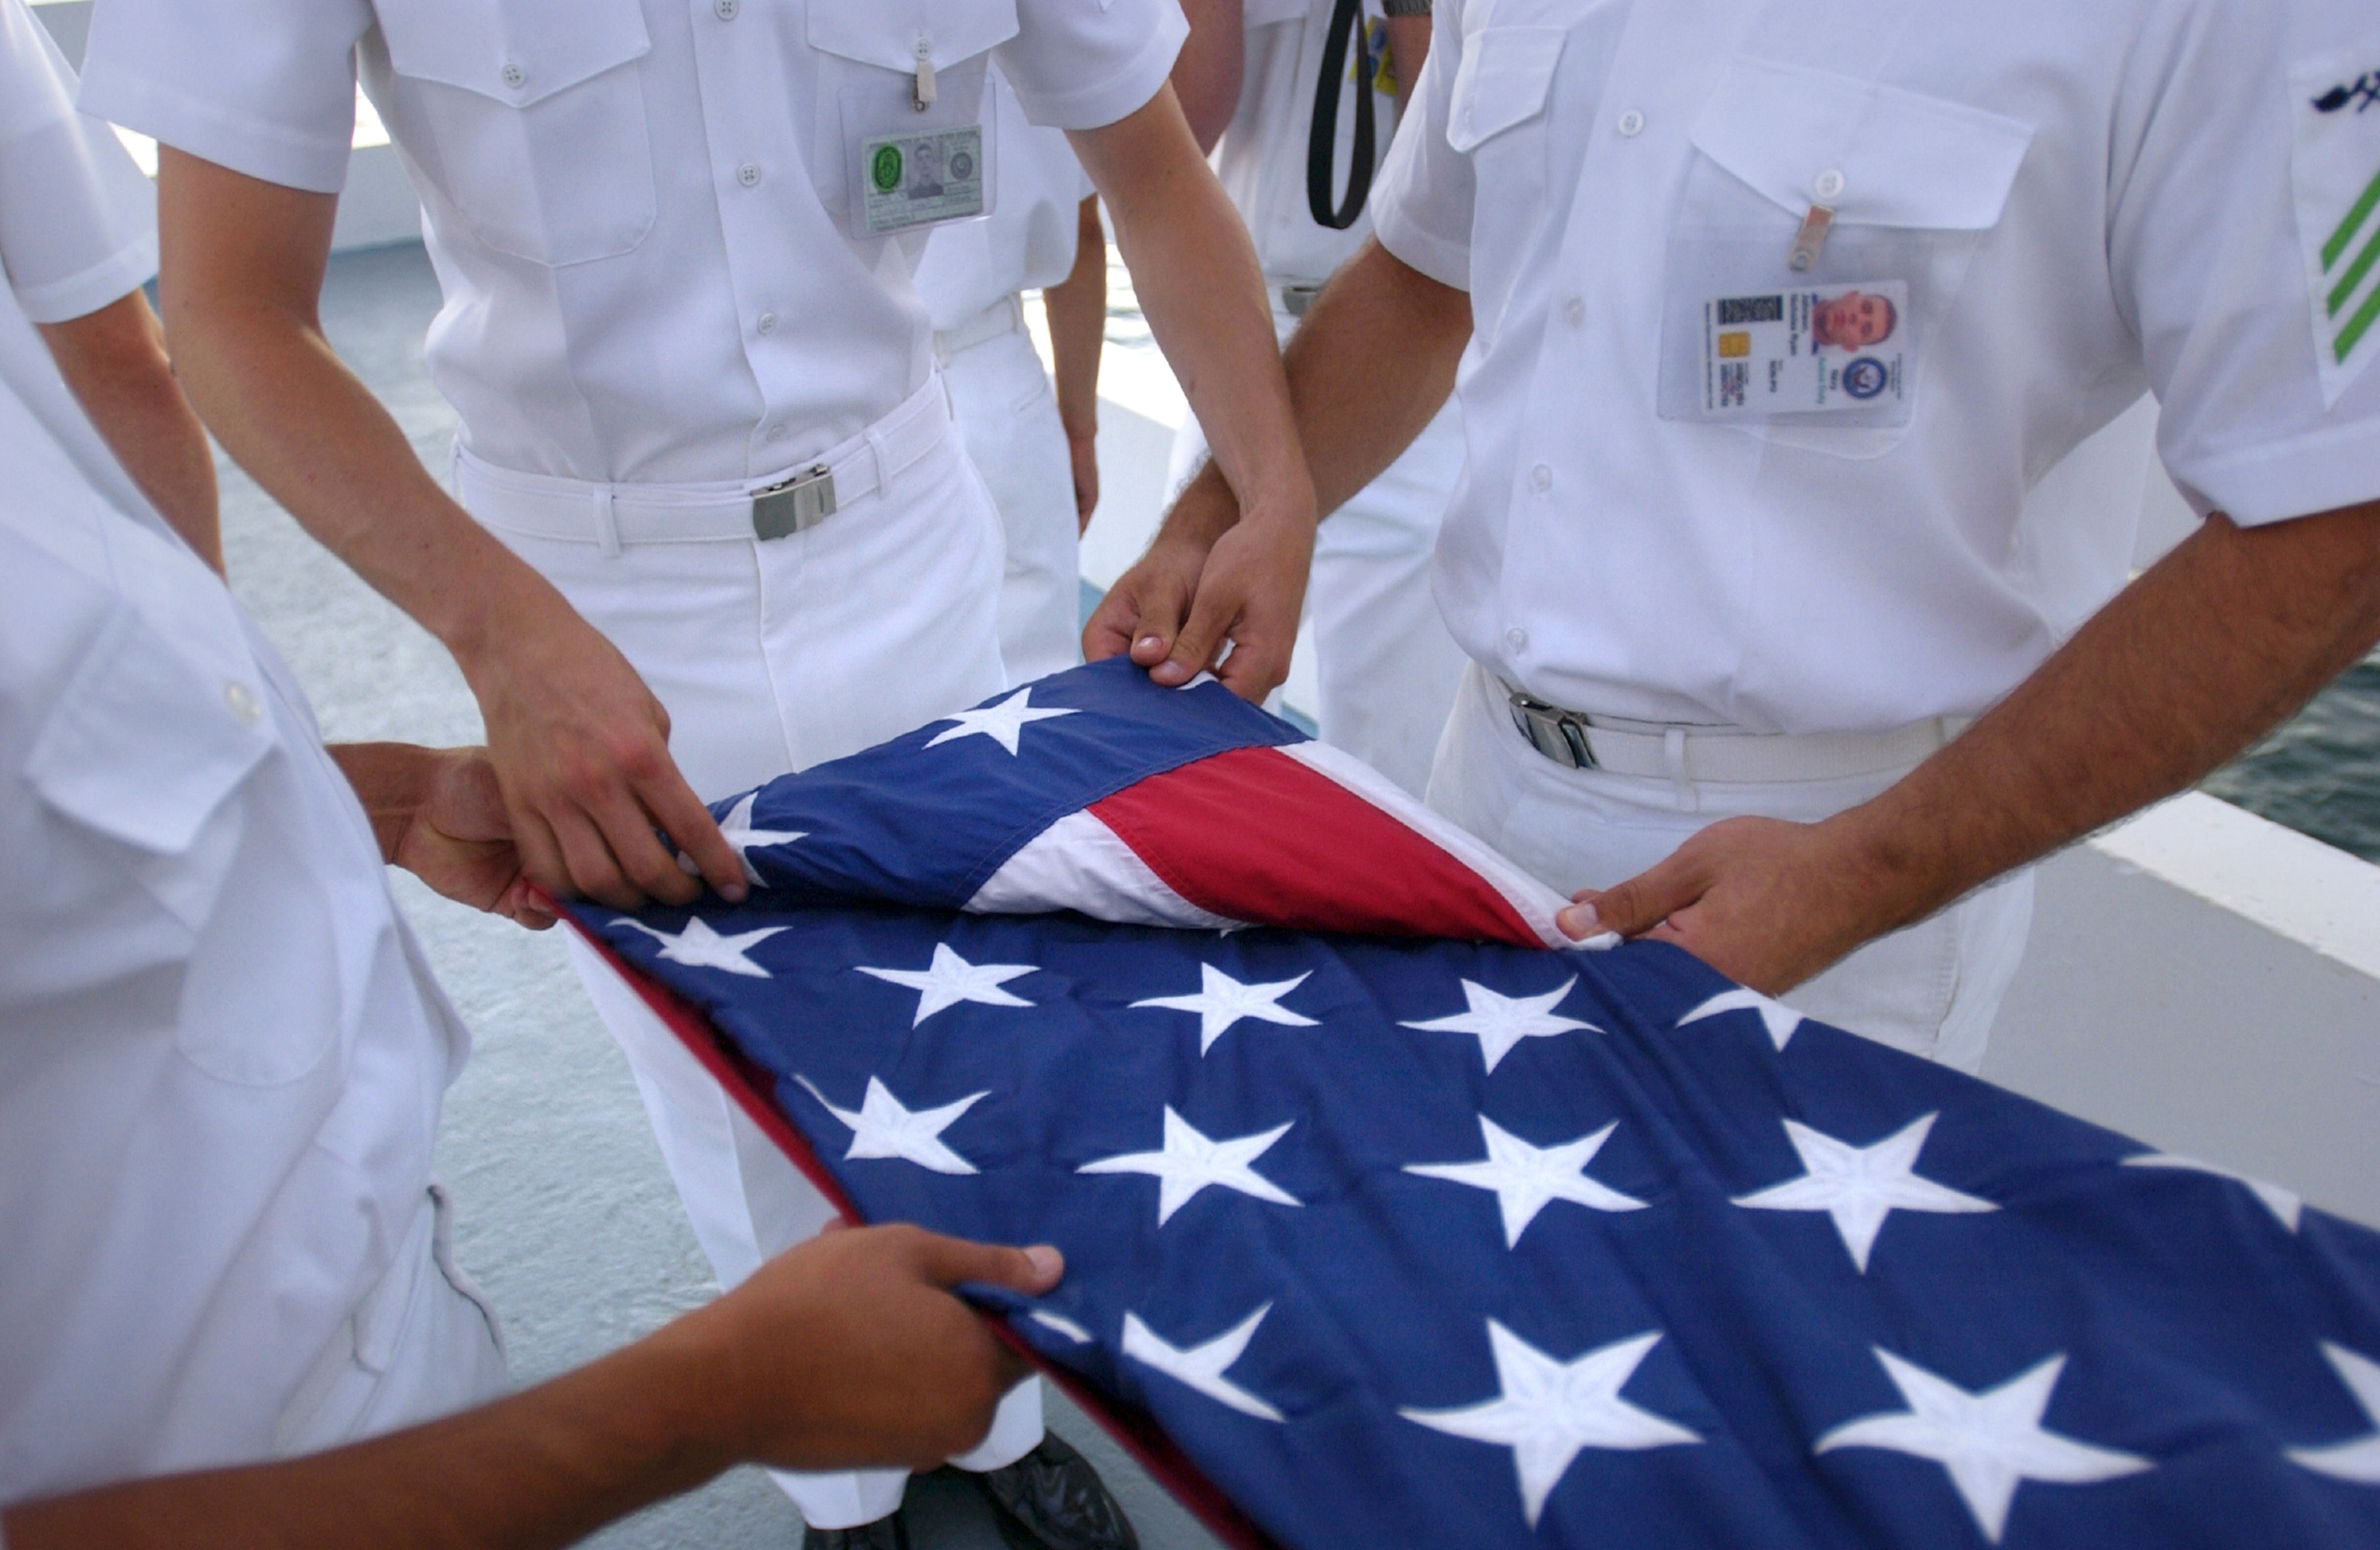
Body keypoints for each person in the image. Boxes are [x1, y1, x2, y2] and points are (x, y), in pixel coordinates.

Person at [81, 2, 1309, 1541]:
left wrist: (1272, 484)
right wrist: (500, 632)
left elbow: (1149, 164)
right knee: (725, 1080)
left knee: (981, 1036)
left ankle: (1003, 1430)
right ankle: (847, 1499)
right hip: (588, 595)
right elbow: (231, 314)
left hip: (910, 530)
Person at [1091, 0, 2380, 1072]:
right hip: (1479, 790)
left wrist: (1859, 875)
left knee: (1751, 1375)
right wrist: (1235, 507)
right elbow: (1428, 272)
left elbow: (2335, 522)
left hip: (1840, 875)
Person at [1160, 0, 1463, 798]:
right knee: (1185, 725)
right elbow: (1180, 129)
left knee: (1392, 750)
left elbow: (1464, 160)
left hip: (1408, 358)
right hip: (1240, 344)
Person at [910, 67, 1105, 685]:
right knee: (1037, 683)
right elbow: (1085, 237)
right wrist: (1079, 428)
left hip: (863, 390)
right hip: (1001, 374)